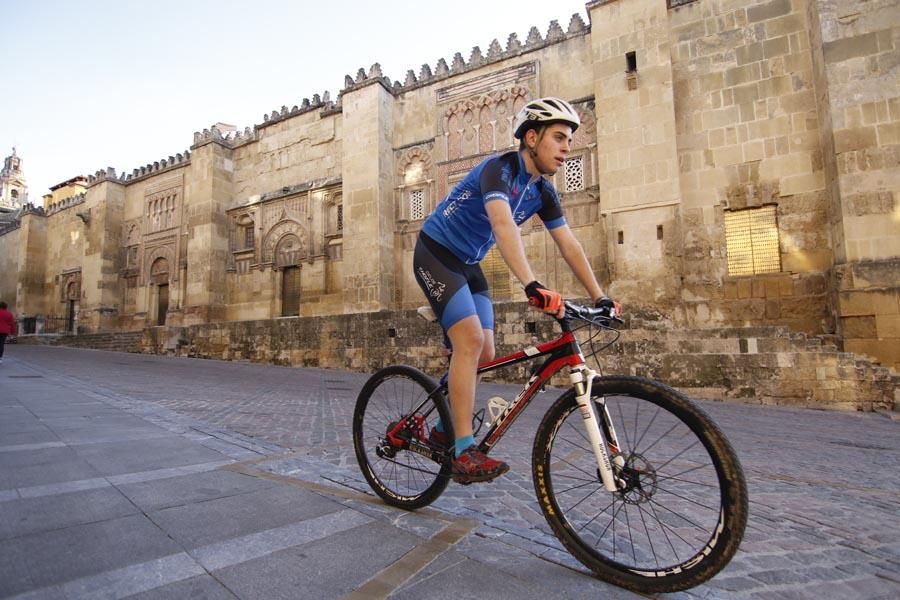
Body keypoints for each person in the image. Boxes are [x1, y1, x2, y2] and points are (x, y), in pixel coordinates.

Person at [413, 97, 617, 484]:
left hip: (469, 266)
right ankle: (462, 450)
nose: (566, 148)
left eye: (570, 140)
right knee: (471, 341)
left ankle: (442, 422)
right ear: (531, 136)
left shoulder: (543, 192)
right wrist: (531, 283)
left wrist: (599, 296)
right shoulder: (499, 170)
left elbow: (568, 243)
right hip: (435, 253)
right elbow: (503, 224)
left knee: (485, 352)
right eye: (559, 137)